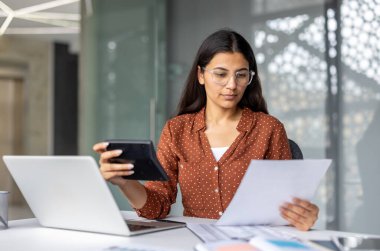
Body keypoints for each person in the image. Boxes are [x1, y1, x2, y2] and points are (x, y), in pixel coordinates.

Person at [93, 29, 319, 231]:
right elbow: (157, 206)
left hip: (252, 243)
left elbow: (285, 207)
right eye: (221, 74)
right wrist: (124, 182)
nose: (232, 85)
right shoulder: (177, 130)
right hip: (195, 243)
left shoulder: (268, 128)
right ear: (201, 75)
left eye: (241, 75)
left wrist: (302, 216)